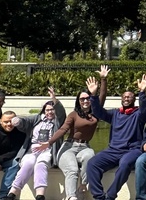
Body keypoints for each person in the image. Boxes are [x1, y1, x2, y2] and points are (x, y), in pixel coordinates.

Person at [87, 73, 146, 200]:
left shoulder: (139, 115)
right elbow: (98, 112)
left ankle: (110, 196)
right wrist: (93, 95)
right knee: (92, 164)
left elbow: (144, 109)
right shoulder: (115, 113)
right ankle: (99, 197)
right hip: (113, 151)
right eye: (124, 97)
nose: (126, 98)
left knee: (124, 164)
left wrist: (142, 92)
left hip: (132, 150)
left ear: (134, 99)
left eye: (129, 97)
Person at [46, 70, 108, 200]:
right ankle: (71, 197)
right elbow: (63, 129)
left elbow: (102, 96)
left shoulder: (96, 112)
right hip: (68, 146)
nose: (85, 101)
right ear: (78, 101)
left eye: (87, 98)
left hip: (85, 147)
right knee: (73, 170)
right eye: (82, 99)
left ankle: (83, 185)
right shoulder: (74, 114)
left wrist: (103, 79)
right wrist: (49, 142)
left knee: (90, 157)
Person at [5, 87, 67, 200]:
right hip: (32, 150)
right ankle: (13, 192)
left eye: (52, 109)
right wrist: (18, 121)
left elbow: (61, 112)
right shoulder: (37, 119)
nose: (50, 112)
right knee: (28, 163)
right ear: (44, 111)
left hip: (48, 150)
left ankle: (40, 195)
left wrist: (54, 99)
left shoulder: (58, 122)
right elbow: (26, 121)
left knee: (41, 164)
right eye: (47, 110)